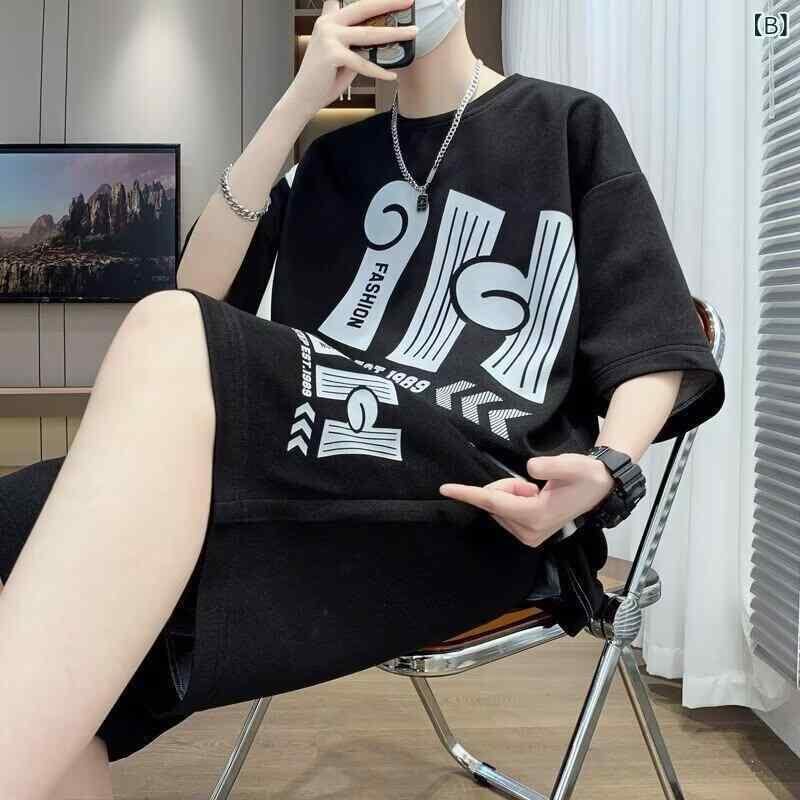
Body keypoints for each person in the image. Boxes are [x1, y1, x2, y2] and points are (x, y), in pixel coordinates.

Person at [0, 0, 725, 797]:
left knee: (167, 334)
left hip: (484, 495)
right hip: (318, 464)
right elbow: (201, 289)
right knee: (18, 521)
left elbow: (651, 331)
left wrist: (611, 468)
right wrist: (294, 105)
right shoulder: (329, 161)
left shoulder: (566, 125)